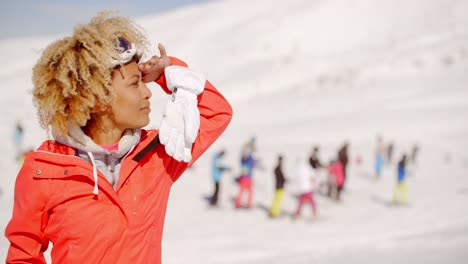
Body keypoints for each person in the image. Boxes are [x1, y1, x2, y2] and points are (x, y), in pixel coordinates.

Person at [5, 11, 232, 264]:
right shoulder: (44, 170)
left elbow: (217, 112)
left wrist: (167, 74)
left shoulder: (159, 154)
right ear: (99, 98)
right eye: (135, 84)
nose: (148, 92)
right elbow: (23, 256)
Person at [234, 139, 258, 209]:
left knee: (243, 191)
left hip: (245, 178)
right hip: (247, 178)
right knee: (247, 192)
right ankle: (246, 204)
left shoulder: (244, 160)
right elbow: (253, 163)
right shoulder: (248, 160)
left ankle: (240, 203)